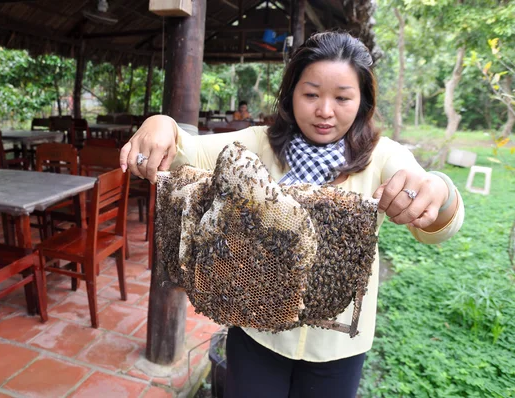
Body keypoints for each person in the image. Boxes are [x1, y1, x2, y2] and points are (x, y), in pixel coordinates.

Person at [120, 31, 464, 398]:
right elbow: (186, 150)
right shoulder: (258, 144)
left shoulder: (384, 156)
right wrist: (162, 124)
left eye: (343, 97)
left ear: (363, 101)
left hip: (337, 350)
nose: (325, 111)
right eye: (311, 94)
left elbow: (438, 225)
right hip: (255, 331)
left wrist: (439, 190)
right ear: (291, 94)